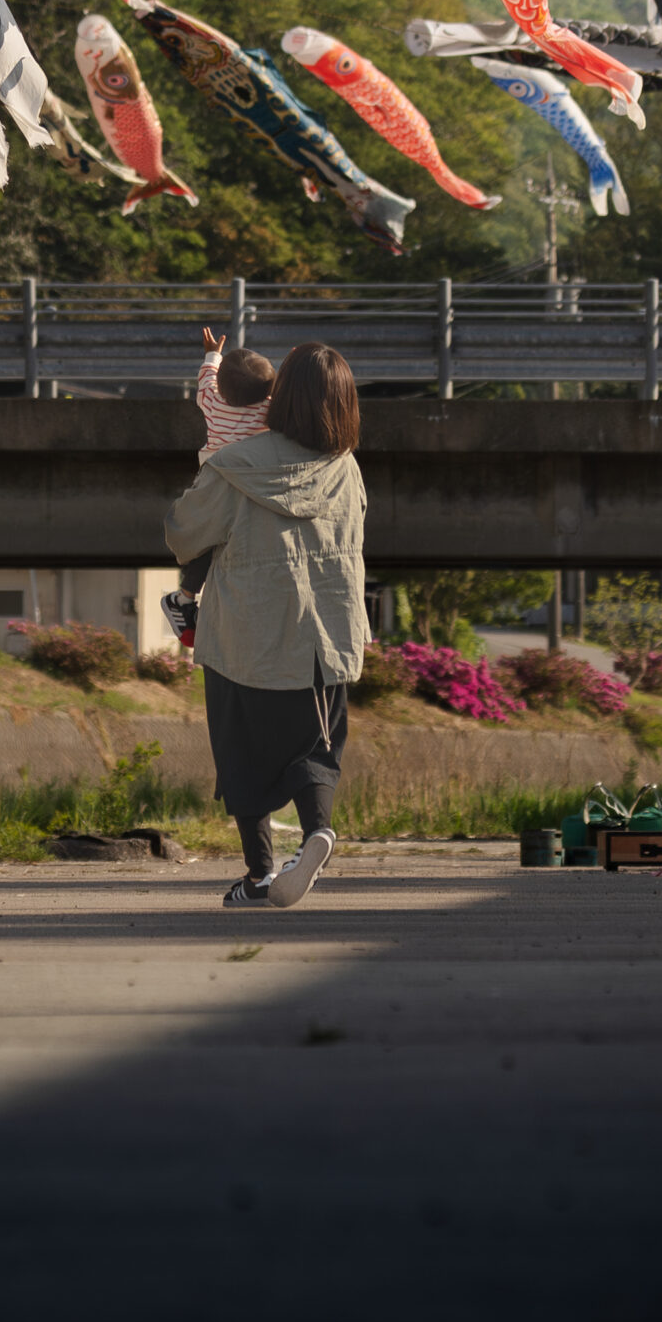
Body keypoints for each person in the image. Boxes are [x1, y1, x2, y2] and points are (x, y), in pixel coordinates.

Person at [164, 340, 367, 911]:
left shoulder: (233, 467)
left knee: (242, 755)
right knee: (316, 752)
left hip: (243, 638)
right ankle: (317, 835)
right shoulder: (347, 470)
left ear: (282, 397)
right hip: (325, 640)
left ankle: (257, 876)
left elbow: (183, 534)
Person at [159, 325, 276, 651]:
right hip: (244, 485)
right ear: (269, 391)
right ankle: (184, 600)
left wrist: (212, 352)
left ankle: (183, 598)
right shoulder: (268, 410)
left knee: (211, 544)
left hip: (211, 480)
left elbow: (207, 377)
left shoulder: (210, 401)